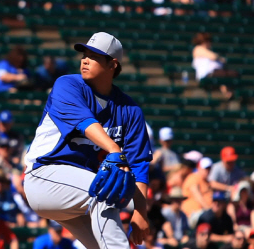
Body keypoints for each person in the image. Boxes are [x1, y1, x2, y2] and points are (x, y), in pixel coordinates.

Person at [24, 32, 152, 248]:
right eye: (84, 54)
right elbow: (85, 123)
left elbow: (138, 164)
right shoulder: (67, 85)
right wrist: (113, 149)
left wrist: (141, 211)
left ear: (112, 65)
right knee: (105, 194)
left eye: (94, 56)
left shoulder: (130, 110)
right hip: (43, 177)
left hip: (80, 191)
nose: (84, 60)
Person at [191, 33, 238, 99]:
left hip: (215, 72)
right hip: (207, 74)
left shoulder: (207, 51)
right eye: (207, 41)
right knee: (230, 74)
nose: (209, 43)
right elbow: (213, 56)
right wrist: (220, 58)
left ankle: (228, 93)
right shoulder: (198, 49)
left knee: (228, 76)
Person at [182, 157, 213, 223]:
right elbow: (197, 196)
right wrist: (210, 211)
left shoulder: (207, 182)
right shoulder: (194, 177)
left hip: (203, 213)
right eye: (206, 168)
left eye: (209, 168)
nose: (208, 171)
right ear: (199, 168)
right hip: (193, 213)